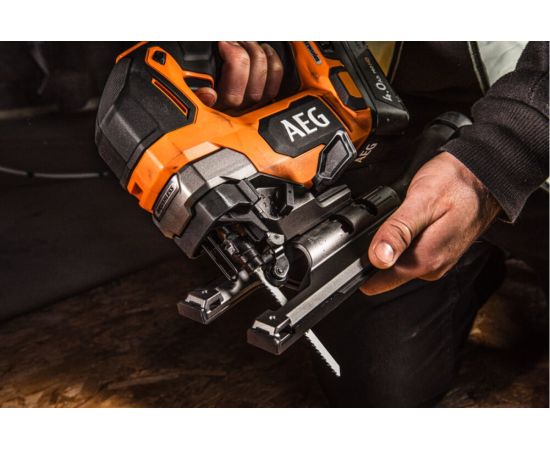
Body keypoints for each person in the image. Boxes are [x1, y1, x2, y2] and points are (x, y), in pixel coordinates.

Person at [194, 41, 549, 406]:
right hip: (389, 116)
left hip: (536, 116)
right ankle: (475, 258)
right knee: (377, 391)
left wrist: (503, 152)